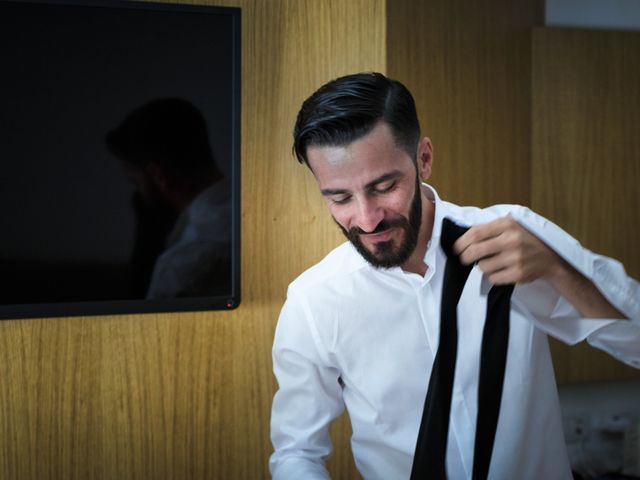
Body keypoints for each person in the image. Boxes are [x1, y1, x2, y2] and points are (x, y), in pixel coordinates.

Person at [269, 72, 640, 479]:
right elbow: (297, 452)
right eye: (340, 198)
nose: (366, 218)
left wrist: (557, 270)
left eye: (384, 186)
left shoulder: (516, 235)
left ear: (423, 159)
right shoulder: (315, 299)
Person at [107, 98, 231, 298]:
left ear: (158, 176)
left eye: (136, 183)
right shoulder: (256, 213)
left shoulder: (178, 266)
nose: (138, 195)